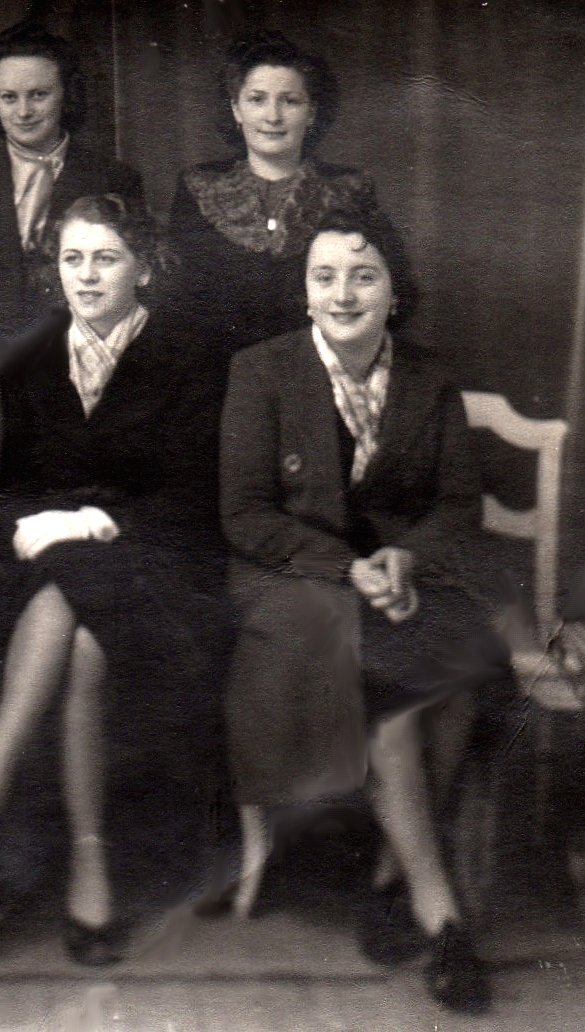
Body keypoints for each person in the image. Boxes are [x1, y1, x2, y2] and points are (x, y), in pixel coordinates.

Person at [0, 194, 228, 964]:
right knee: (84, 636)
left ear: (144, 268)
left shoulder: (190, 356)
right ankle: (90, 871)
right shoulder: (28, 362)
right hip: (51, 576)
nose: (87, 276)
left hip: (164, 568)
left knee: (83, 613)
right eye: (72, 259)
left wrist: (86, 522)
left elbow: (194, 497)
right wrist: (60, 528)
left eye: (106, 259)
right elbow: (7, 496)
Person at [219, 207, 503, 1013]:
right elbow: (246, 515)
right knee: (397, 700)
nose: (343, 294)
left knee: (462, 670)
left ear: (394, 292)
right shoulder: (261, 371)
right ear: (304, 292)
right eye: (325, 277)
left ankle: (389, 871)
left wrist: (404, 559)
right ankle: (441, 916)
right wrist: (348, 569)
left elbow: (457, 505)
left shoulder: (429, 378)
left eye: (364, 276)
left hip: (405, 578)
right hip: (293, 585)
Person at [166, 31, 377, 357]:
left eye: (290, 101)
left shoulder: (349, 190)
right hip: (216, 368)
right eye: (257, 99)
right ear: (236, 109)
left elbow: (381, 291)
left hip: (318, 364)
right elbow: (177, 301)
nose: (273, 116)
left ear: (311, 113)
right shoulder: (198, 187)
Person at [0, 21, 144, 356]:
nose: (23, 112)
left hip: (79, 355)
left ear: (66, 94)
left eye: (38, 95)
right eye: (9, 97)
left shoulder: (115, 180)